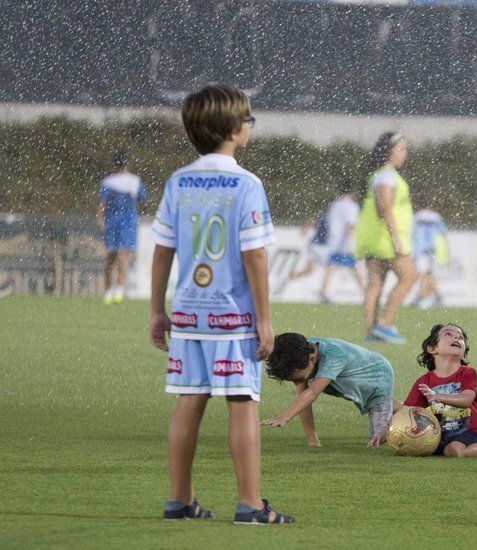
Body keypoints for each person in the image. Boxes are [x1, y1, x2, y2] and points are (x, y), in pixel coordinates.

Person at [148, 83, 294, 525]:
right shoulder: (246, 184)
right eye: (248, 119)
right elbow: (254, 254)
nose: (250, 125)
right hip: (232, 318)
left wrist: (158, 309)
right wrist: (264, 320)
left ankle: (179, 500)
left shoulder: (179, 181)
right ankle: (250, 504)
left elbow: (162, 250)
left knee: (189, 399)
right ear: (233, 128)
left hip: (191, 313)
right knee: (242, 402)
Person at [261, 333, 395, 448]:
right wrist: (312, 439)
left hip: (378, 379)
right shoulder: (302, 354)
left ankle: (410, 412)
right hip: (349, 382)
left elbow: (311, 394)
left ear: (312, 359)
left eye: (299, 379)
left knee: (381, 438)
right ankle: (401, 407)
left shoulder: (333, 356)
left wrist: (283, 417)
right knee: (312, 386)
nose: (298, 383)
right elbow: (303, 401)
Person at [401, 324, 477, 457]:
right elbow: (408, 411)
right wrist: (390, 430)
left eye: (460, 337)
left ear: (464, 353)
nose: (456, 337)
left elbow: (467, 399)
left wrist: (437, 396)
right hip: (442, 435)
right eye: (448, 334)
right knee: (419, 448)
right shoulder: (423, 381)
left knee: (455, 450)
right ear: (432, 348)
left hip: (472, 430)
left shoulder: (468, 373)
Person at [354, 132, 417, 344]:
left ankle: (371, 330)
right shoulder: (388, 176)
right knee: (409, 277)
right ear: (389, 151)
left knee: (374, 284)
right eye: (401, 148)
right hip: (386, 240)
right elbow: (386, 207)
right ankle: (386, 324)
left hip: (374, 239)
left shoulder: (377, 175)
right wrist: (396, 238)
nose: (404, 153)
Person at [97, 150, 145, 304]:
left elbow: (101, 205)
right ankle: (119, 290)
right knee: (123, 256)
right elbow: (142, 200)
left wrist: (100, 219)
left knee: (110, 258)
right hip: (128, 221)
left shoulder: (107, 182)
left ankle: (108, 292)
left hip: (112, 221)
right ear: (127, 164)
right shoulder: (134, 181)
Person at [319, 180, 363, 302]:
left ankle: (323, 292)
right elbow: (351, 225)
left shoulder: (334, 205)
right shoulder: (352, 206)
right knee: (354, 268)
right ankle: (366, 293)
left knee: (330, 267)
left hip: (333, 241)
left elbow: (328, 223)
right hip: (345, 243)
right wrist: (350, 242)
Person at [411, 197, 449, 309]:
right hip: (433, 248)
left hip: (421, 249)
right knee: (429, 273)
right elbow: (443, 234)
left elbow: (411, 233)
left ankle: (422, 297)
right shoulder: (435, 217)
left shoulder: (417, 217)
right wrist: (447, 251)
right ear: (431, 204)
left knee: (423, 274)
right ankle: (437, 296)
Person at [288, 211, 328, 288]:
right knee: (328, 268)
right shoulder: (326, 216)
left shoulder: (335, 218)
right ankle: (324, 292)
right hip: (317, 246)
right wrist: (305, 229)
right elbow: (312, 221)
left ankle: (288, 279)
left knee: (309, 270)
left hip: (321, 247)